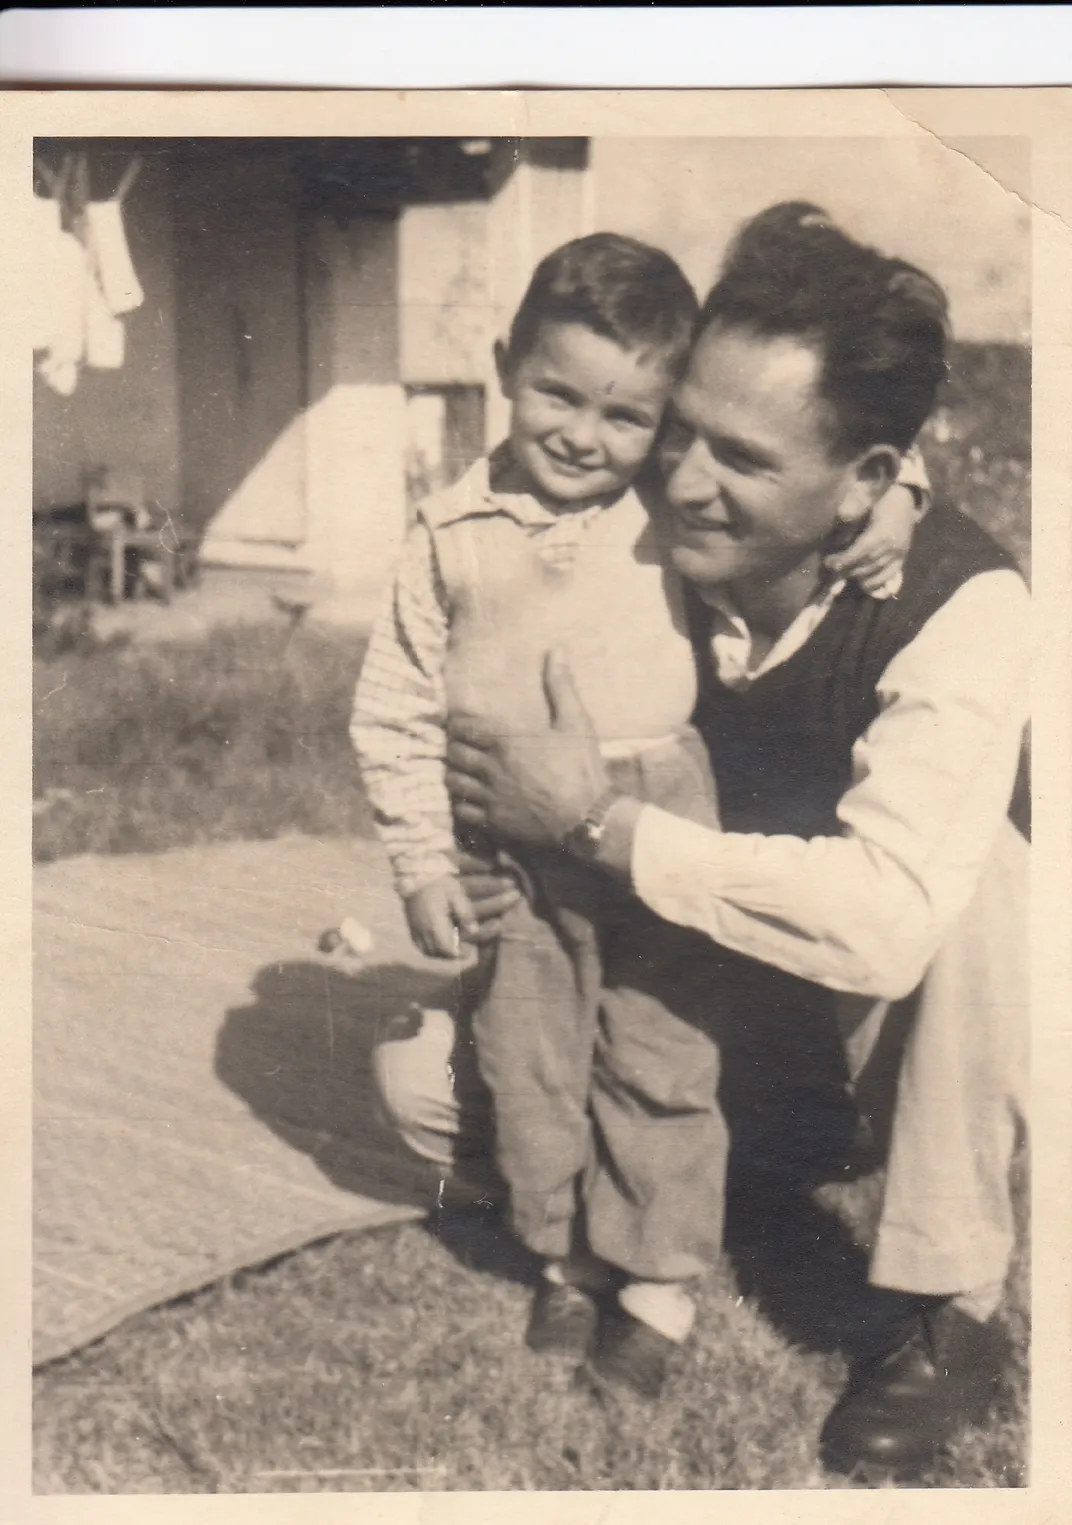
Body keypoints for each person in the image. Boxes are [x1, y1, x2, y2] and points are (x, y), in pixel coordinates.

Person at [435, 205, 1029, 1478]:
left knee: (970, 887)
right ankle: (711, 1177)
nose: (684, 481)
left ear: (867, 476)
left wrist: (594, 822)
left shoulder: (962, 607)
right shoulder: (648, 527)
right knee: (420, 1088)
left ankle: (951, 1303)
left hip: (909, 1008)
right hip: (712, 985)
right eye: (680, 433)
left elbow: (881, 918)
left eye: (744, 461)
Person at [353, 232, 930, 1367]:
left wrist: (902, 491)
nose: (583, 435)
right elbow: (395, 707)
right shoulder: (446, 534)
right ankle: (567, 1257)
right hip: (505, 845)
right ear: (502, 363)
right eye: (556, 394)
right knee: (531, 1058)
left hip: (656, 818)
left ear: (661, 423)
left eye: (625, 418)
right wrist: (422, 862)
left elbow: (822, 490)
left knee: (661, 1055)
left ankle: (659, 1277)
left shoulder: (665, 511)